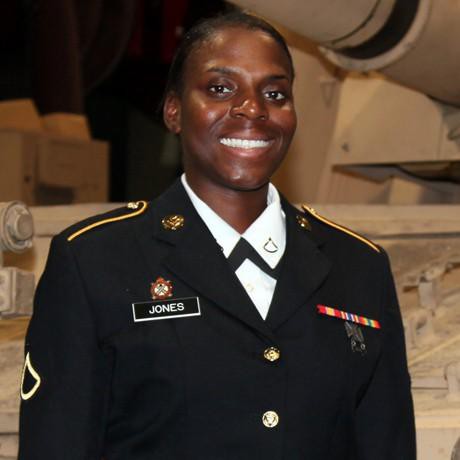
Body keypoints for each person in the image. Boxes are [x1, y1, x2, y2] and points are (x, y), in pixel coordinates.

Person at [18, 11, 416, 460]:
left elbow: (387, 442)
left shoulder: (358, 267)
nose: (253, 108)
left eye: (275, 93)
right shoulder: (95, 262)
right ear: (173, 111)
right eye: (221, 88)